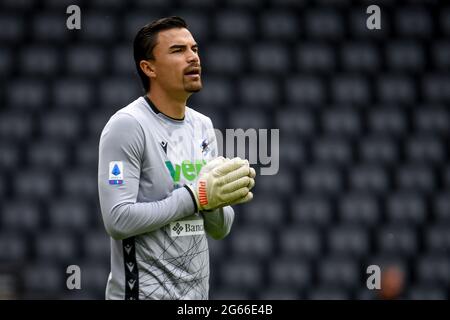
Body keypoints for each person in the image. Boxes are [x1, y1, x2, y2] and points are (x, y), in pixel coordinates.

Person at [98, 16, 256, 300]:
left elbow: (219, 229)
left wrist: (212, 203)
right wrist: (197, 197)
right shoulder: (127, 126)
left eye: (194, 49)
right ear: (149, 68)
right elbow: (117, 220)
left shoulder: (202, 126)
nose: (193, 57)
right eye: (177, 50)